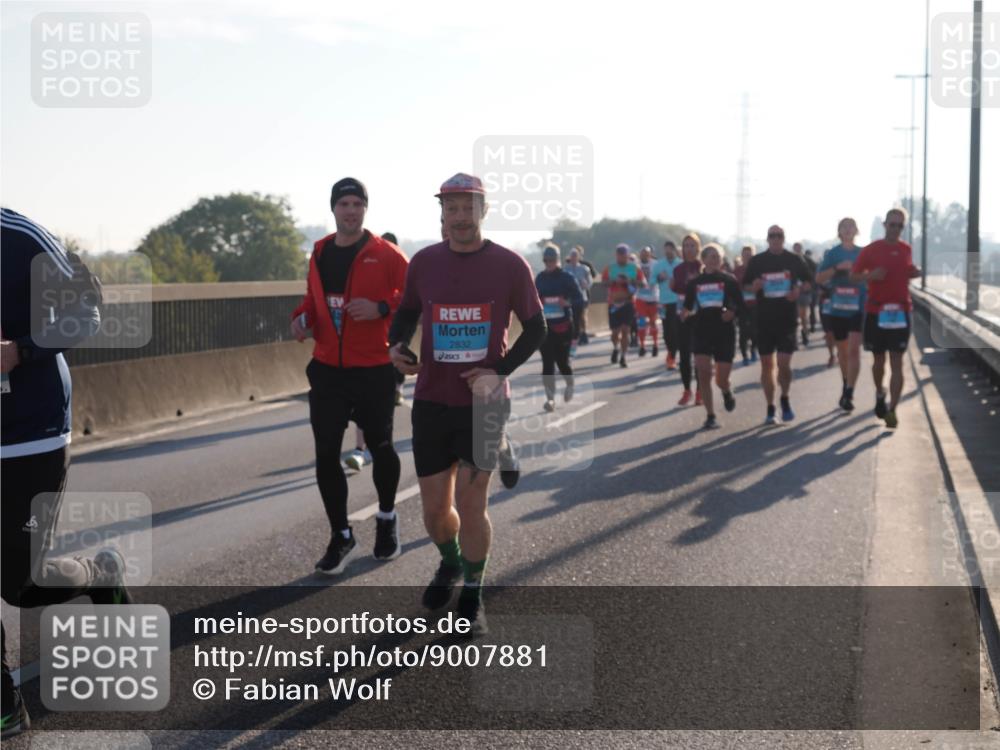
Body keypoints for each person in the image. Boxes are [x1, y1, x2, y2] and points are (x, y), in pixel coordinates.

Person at [388, 173, 545, 635]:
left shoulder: (510, 265)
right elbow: (407, 311)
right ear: (442, 212)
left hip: (485, 404)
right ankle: (451, 561)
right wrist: (396, 346)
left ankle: (473, 595)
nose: (460, 216)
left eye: (469, 207)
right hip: (432, 400)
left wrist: (499, 371)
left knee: (471, 505)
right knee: (435, 513)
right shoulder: (424, 262)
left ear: (484, 210)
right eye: (451, 208)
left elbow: (537, 328)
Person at [1, 208, 132, 740]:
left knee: (21, 583)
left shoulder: (19, 237)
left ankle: (100, 573)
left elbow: (86, 312)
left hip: (30, 433)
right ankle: (5, 702)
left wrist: (20, 351)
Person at [291, 178, 409, 574]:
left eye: (358, 203)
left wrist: (381, 307)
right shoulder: (320, 251)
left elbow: (414, 297)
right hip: (327, 369)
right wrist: (301, 318)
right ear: (333, 208)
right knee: (326, 454)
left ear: (365, 209)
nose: (351, 211)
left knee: (381, 447)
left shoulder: (386, 254)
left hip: (373, 368)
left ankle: (387, 518)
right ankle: (341, 535)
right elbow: (313, 299)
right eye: (344, 203)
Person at [850, 207, 921, 429]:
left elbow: (906, 269)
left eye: (900, 226)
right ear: (885, 225)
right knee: (879, 361)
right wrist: (871, 275)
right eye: (892, 224)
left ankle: (892, 410)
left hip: (900, 311)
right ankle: (880, 392)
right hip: (876, 312)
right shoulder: (871, 250)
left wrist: (913, 271)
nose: (896, 229)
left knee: (897, 361)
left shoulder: (906, 249)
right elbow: (853, 276)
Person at [742, 224, 813, 424]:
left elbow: (809, 282)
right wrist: (753, 287)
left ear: (783, 238)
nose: (775, 239)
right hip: (763, 319)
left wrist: (798, 290)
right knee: (767, 365)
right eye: (772, 235)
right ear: (767, 239)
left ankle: (785, 397)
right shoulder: (757, 261)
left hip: (787, 318)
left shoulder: (794, 259)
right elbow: (745, 285)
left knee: (784, 364)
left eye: (779, 235)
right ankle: (770, 407)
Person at [681, 243, 744, 429]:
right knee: (703, 373)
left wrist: (732, 312)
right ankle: (710, 415)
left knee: (721, 379)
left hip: (724, 331)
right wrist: (685, 315)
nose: (715, 260)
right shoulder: (695, 283)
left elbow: (740, 305)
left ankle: (726, 390)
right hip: (702, 331)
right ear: (704, 259)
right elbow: (687, 307)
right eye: (712, 256)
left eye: (718, 256)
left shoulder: (729, 280)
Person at [816, 218, 865, 410]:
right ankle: (846, 383)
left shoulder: (863, 253)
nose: (847, 229)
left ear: (856, 230)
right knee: (843, 351)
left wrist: (858, 274)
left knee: (854, 350)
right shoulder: (832, 254)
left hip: (858, 307)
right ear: (839, 231)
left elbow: (870, 276)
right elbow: (819, 278)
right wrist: (837, 268)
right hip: (838, 309)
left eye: (851, 226)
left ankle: (850, 392)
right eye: (844, 226)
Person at [536, 244, 584, 411]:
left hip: (563, 327)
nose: (549, 263)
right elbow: (533, 300)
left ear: (557, 260)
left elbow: (580, 300)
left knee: (562, 362)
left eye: (552, 260)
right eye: (546, 261)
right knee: (547, 363)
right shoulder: (540, 279)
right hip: (545, 328)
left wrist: (567, 302)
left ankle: (570, 383)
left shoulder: (567, 278)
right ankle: (550, 399)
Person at [671, 234, 705, 405]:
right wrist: (672, 286)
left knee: (699, 355)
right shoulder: (678, 269)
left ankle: (700, 391)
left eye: (692, 245)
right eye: (686, 245)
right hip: (682, 314)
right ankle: (686, 390)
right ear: (682, 249)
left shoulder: (703, 267)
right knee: (684, 354)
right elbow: (677, 289)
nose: (689, 249)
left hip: (700, 315)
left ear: (698, 248)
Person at [602, 244, 646, 368]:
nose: (621, 257)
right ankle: (616, 348)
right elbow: (603, 283)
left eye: (624, 255)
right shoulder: (609, 268)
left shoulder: (634, 268)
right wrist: (613, 281)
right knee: (615, 333)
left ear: (627, 255)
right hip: (613, 304)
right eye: (619, 255)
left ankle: (623, 356)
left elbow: (643, 283)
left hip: (628, 303)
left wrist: (629, 281)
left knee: (625, 330)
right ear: (616, 255)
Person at [651, 240, 683, 370]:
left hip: (677, 301)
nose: (668, 252)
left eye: (670, 249)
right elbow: (651, 281)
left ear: (674, 250)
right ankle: (671, 352)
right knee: (667, 332)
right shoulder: (658, 265)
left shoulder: (680, 264)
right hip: (664, 302)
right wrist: (659, 278)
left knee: (676, 330)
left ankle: (672, 357)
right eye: (666, 249)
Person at [733, 244, 759, 366]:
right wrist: (744, 288)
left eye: (750, 255)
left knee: (755, 331)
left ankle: (753, 350)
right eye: (745, 255)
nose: (747, 258)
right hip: (742, 305)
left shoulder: (758, 270)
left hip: (756, 305)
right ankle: (744, 355)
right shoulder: (737, 271)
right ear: (742, 256)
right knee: (743, 332)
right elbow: (732, 287)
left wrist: (755, 288)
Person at [564, 247, 592, 354]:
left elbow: (590, 282)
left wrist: (586, 284)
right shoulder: (566, 269)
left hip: (582, 297)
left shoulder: (584, 269)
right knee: (572, 319)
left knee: (582, 317)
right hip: (569, 298)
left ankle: (583, 333)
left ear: (579, 257)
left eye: (575, 256)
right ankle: (575, 336)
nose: (573, 258)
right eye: (572, 256)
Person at [635, 246, 660, 358]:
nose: (644, 255)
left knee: (653, 322)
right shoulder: (636, 265)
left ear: (650, 254)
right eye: (642, 253)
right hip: (640, 297)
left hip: (653, 297)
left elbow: (660, 277)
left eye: (646, 253)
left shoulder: (655, 264)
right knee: (641, 322)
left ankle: (655, 344)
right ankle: (642, 346)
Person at [574, 245, 598, 343]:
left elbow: (593, 276)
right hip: (572, 296)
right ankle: (578, 333)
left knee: (583, 314)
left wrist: (585, 282)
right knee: (575, 316)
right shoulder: (569, 264)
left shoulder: (586, 265)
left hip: (584, 294)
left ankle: (583, 332)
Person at [792, 243, 813, 346]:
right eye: (795, 248)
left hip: (804, 293)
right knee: (794, 317)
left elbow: (813, 275)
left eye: (798, 248)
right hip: (792, 292)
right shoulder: (789, 260)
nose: (797, 250)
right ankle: (795, 338)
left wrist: (808, 284)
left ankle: (805, 333)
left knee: (803, 315)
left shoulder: (807, 260)